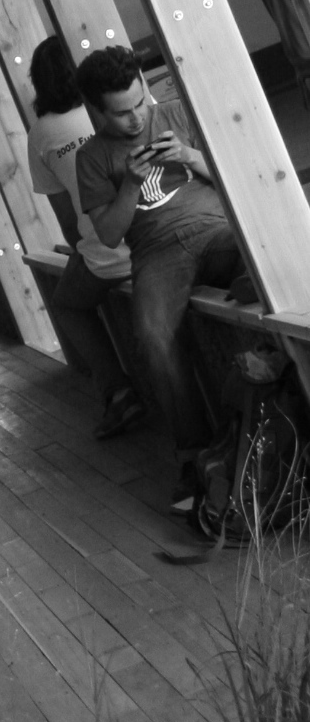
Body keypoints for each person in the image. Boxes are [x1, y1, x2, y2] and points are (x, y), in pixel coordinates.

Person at [74, 46, 245, 514]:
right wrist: (130, 183)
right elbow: (110, 235)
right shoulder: (91, 158)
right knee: (151, 336)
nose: (136, 118)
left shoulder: (175, 113)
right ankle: (195, 455)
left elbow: (236, 176)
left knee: (264, 253)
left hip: (216, 230)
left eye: (140, 102)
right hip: (157, 253)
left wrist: (189, 155)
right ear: (96, 110)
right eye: (121, 112)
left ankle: (247, 276)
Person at [26, 39, 145, 440]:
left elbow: (68, 222)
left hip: (108, 253)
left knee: (67, 303)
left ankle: (119, 392)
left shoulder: (41, 134)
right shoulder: (119, 110)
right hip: (154, 235)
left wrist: (85, 252)